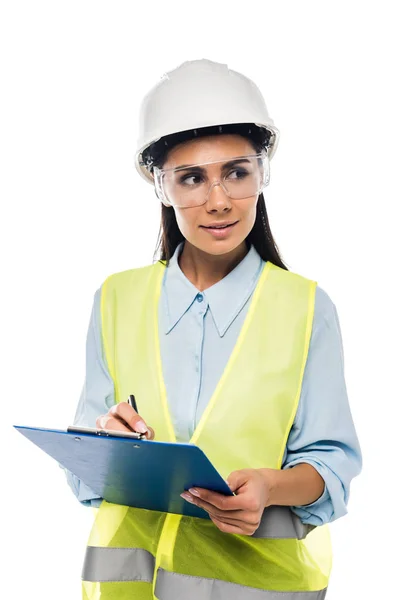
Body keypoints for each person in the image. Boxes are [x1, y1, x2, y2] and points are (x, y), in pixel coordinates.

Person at [63, 59, 362, 599]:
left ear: (261, 174)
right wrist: (104, 442)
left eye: (236, 172)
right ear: (162, 186)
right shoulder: (115, 300)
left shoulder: (306, 308)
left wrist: (272, 487)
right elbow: (84, 472)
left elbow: (330, 466)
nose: (218, 200)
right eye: (192, 178)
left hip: (256, 589)